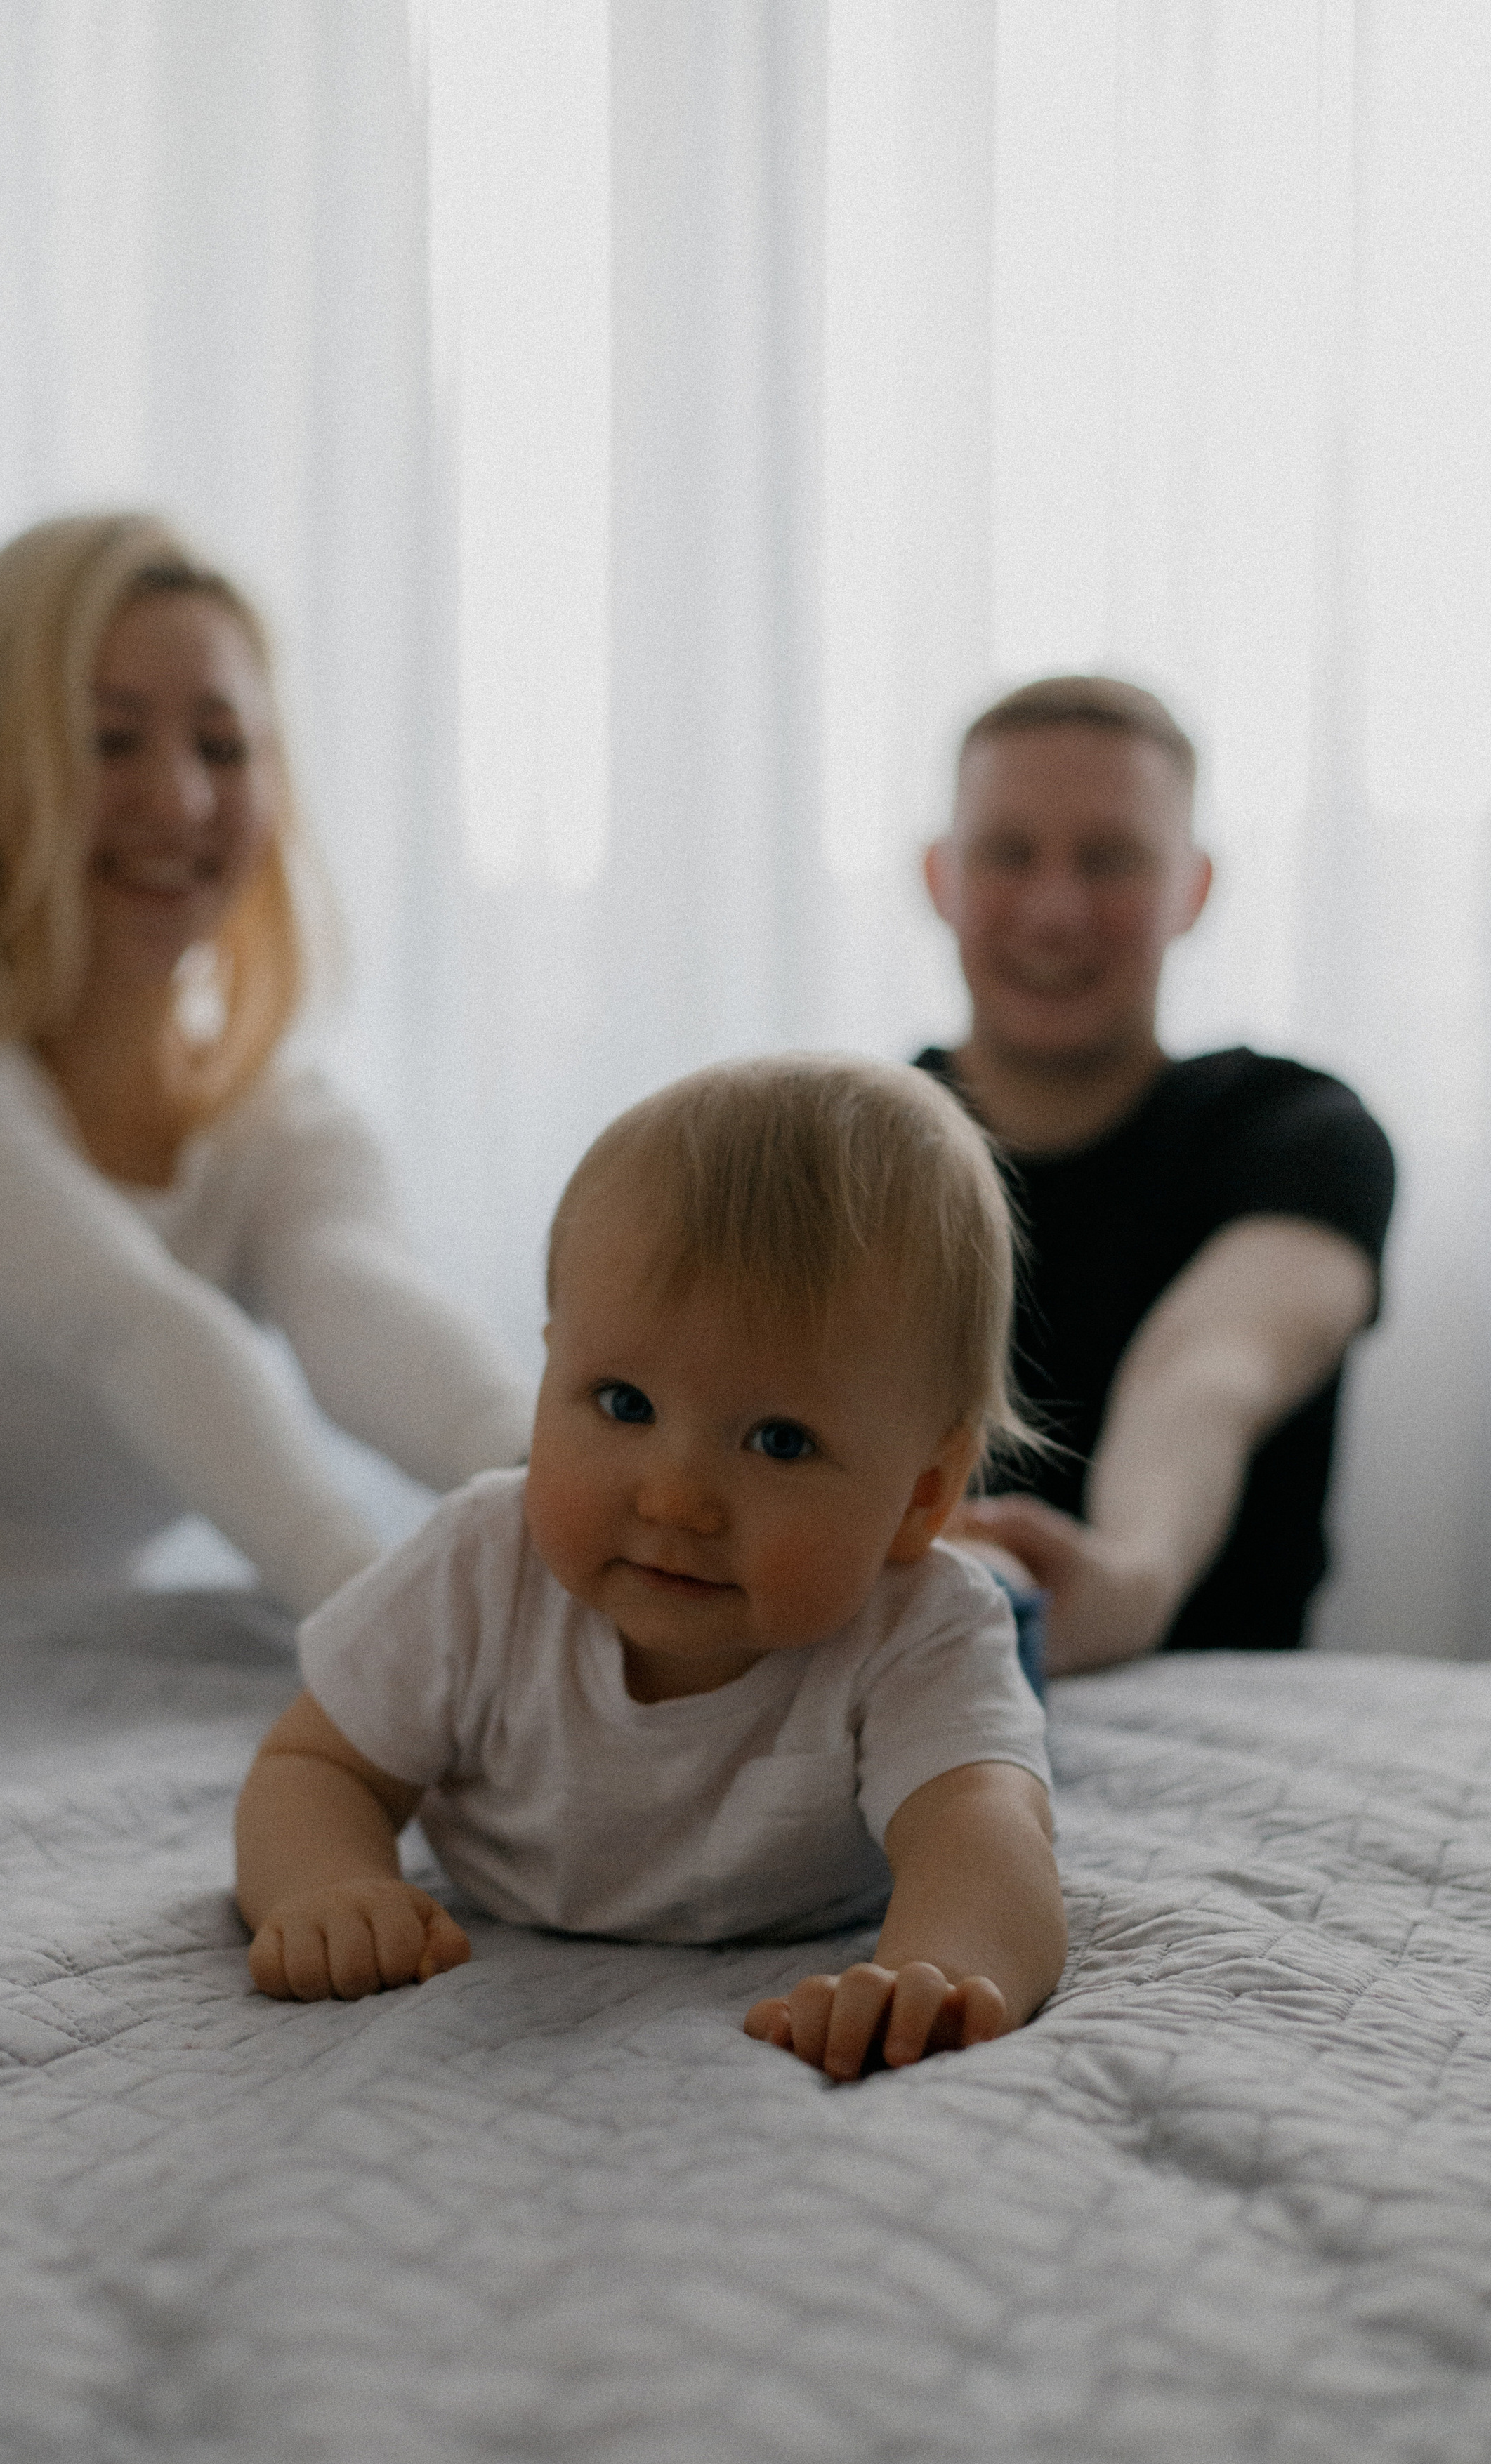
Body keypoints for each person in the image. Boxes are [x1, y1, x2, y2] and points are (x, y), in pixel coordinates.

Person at [0, 513, 532, 1612]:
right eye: (109, 741)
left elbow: (366, 1311)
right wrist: (361, 1601)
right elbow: (123, 1317)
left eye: (222, 745)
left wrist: (576, 1500)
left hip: (52, 1670)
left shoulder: (276, 1125)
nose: (181, 800)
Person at [235, 1055, 1063, 2083]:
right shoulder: (480, 1564)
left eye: (779, 1441)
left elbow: (985, 1838)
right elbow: (314, 1768)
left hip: (942, 1614)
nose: (675, 1499)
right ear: (548, 1369)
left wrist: (935, 1971)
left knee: (1006, 1636)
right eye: (624, 1404)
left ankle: (1031, 1584)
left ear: (922, 1494)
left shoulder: (919, 1628)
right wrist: (325, 1887)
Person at [918, 674, 1396, 1672]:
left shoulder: (1301, 1131)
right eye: (1010, 854)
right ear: (939, 879)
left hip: (1212, 1692)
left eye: (1111, 859)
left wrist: (1127, 1578)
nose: (1057, 912)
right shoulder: (844, 1149)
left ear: (1195, 889)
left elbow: (1210, 1368)